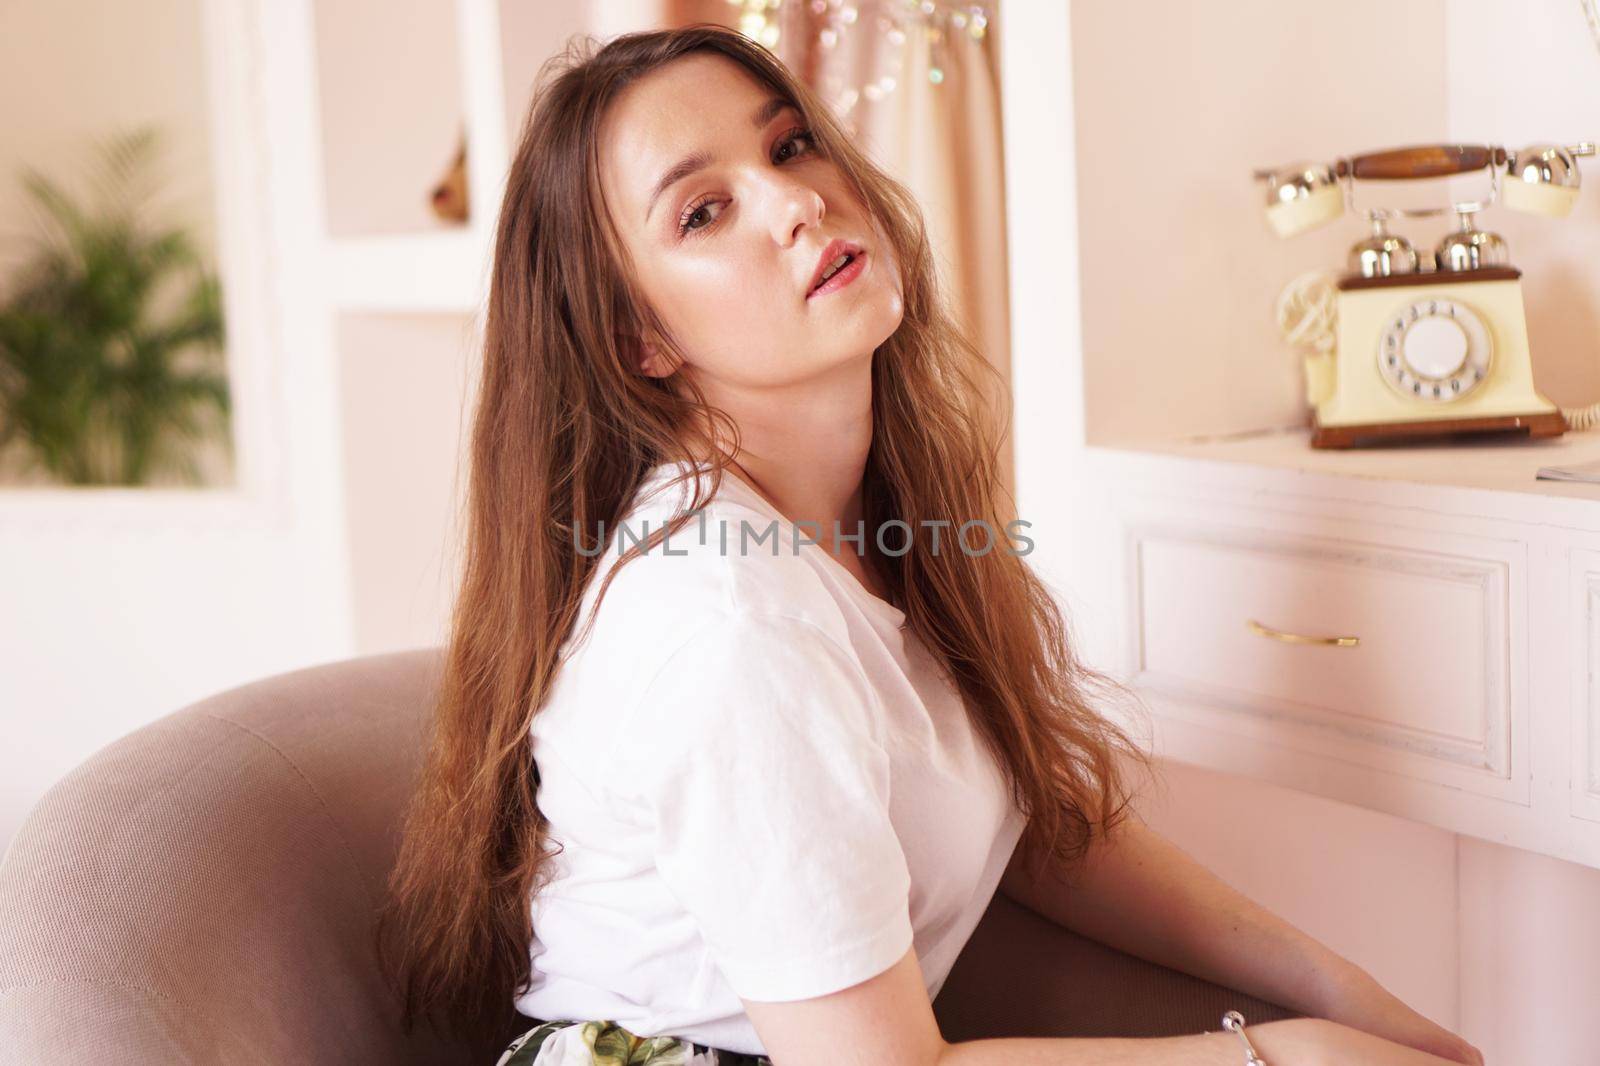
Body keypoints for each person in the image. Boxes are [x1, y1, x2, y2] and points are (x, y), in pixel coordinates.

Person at [373, 24, 1485, 1066]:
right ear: (640, 339)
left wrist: (1333, 991)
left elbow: (1034, 825)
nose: (796, 201)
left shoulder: (866, 523)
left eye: (790, 143)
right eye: (703, 212)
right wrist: (1279, 1052)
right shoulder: (729, 626)